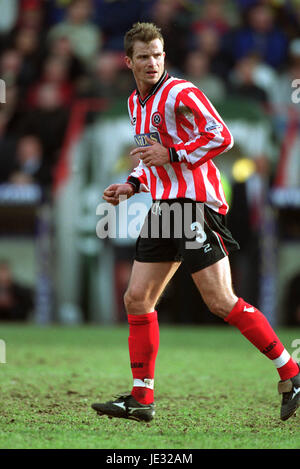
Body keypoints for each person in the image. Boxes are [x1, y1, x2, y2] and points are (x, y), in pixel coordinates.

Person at [91, 22, 300, 423]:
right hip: (163, 207)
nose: (152, 62)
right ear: (128, 61)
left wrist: (171, 153)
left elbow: (221, 137)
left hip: (193, 206)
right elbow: (152, 159)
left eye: (157, 55)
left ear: (164, 56)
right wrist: (131, 185)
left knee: (221, 301)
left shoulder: (181, 92)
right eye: (143, 57)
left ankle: (292, 372)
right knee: (137, 299)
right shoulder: (136, 104)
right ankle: (141, 398)